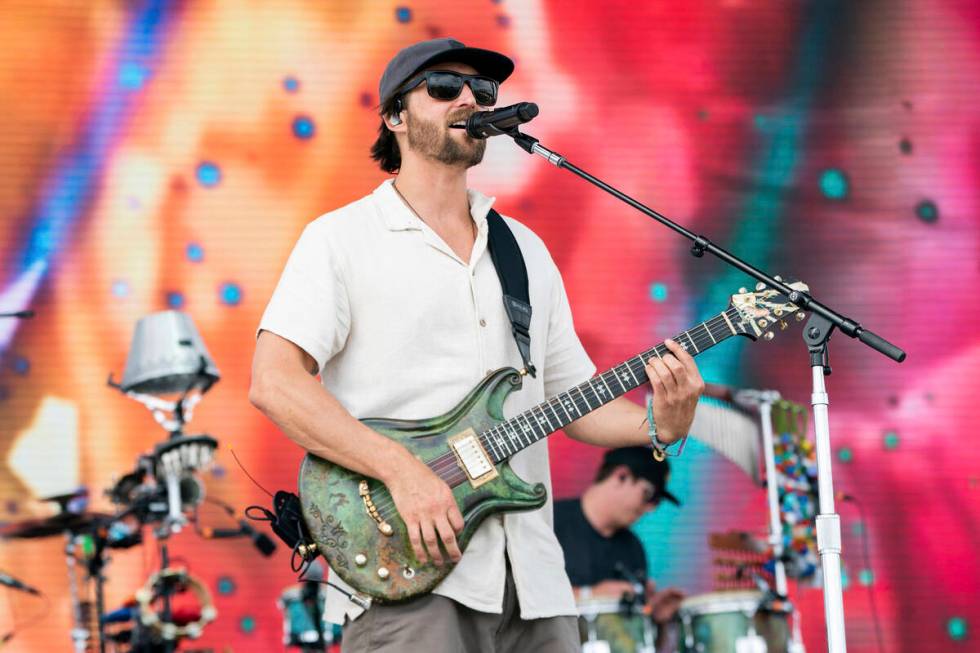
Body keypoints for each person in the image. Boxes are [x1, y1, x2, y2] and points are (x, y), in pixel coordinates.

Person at [249, 37, 704, 653]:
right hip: (408, 574)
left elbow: (574, 399)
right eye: (443, 88)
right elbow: (275, 382)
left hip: (537, 583)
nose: (469, 98)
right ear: (395, 115)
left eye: (482, 91)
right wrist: (401, 472)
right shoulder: (341, 240)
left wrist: (660, 424)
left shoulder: (524, 252)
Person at [555, 447, 686, 651]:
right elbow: (518, 600)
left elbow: (641, 642)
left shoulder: (633, 548)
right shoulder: (549, 523)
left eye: (657, 503)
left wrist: (654, 614)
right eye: (649, 495)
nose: (650, 508)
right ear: (621, 476)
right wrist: (591, 595)